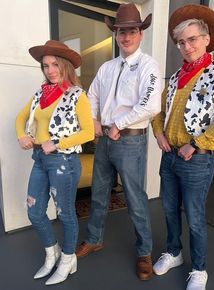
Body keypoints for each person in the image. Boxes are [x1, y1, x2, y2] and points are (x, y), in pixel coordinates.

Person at [152, 4, 214, 290]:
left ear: (206, 39)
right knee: (168, 210)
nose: (186, 46)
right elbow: (158, 112)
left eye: (192, 39)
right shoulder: (175, 78)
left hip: (197, 160)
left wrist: (197, 143)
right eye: (181, 42)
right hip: (169, 157)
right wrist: (158, 134)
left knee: (195, 217)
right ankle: (174, 253)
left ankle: (199, 269)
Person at [76, 3, 161, 281]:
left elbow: (150, 105)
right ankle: (94, 238)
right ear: (116, 34)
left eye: (132, 31)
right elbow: (92, 96)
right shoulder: (107, 67)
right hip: (105, 141)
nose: (126, 37)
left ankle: (144, 253)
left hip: (129, 142)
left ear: (140, 34)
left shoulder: (148, 65)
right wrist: (95, 121)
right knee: (99, 193)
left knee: (135, 199)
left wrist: (119, 124)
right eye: (121, 32)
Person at [15, 40, 94, 285]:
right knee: (35, 211)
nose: (49, 70)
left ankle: (68, 259)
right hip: (39, 159)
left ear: (65, 66)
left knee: (65, 213)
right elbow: (21, 116)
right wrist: (22, 135)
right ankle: (53, 253)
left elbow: (89, 132)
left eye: (54, 64)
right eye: (45, 65)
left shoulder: (77, 94)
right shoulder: (41, 92)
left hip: (63, 161)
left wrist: (57, 142)